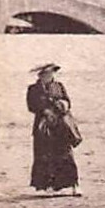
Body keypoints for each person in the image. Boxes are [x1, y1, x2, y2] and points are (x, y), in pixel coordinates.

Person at [26, 64, 80, 195]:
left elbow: (67, 101)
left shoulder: (59, 86)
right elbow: (31, 105)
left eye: (51, 74)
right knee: (44, 155)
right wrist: (44, 110)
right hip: (43, 126)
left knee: (66, 154)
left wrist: (63, 105)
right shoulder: (33, 89)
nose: (49, 77)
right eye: (46, 74)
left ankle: (73, 184)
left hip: (60, 125)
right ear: (40, 75)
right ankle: (47, 186)